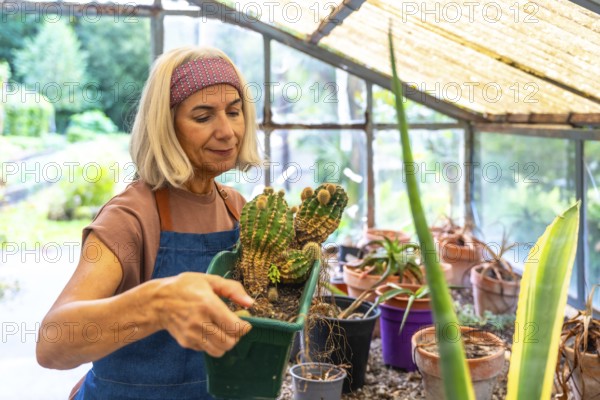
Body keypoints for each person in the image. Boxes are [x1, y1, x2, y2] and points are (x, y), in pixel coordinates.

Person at [36, 46, 263, 400]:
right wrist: (158, 305)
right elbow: (53, 344)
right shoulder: (130, 218)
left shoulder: (236, 207)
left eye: (234, 112)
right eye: (203, 117)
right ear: (166, 128)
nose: (227, 131)